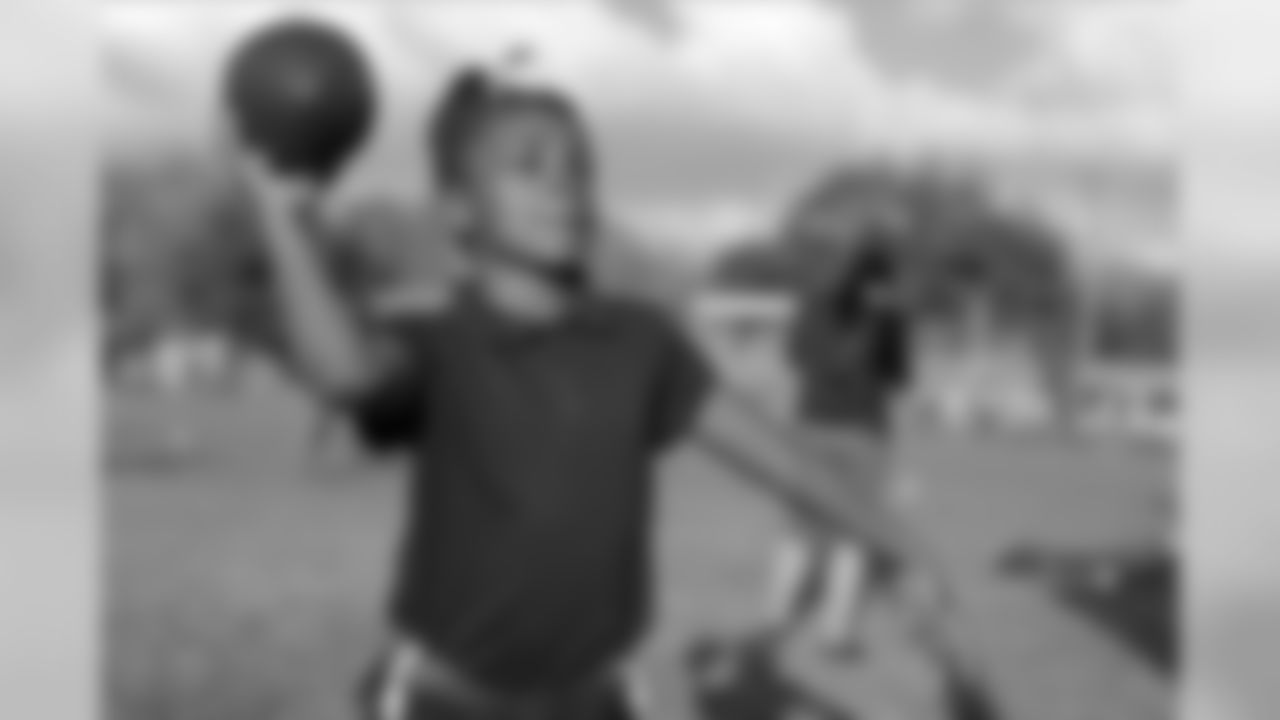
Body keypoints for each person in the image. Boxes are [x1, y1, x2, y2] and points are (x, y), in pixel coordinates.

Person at [237, 65, 950, 720]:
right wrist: (281, 219)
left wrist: (900, 545)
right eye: (529, 165)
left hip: (596, 699)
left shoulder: (640, 342)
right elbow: (346, 373)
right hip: (443, 699)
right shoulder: (441, 345)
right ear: (459, 211)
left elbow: (786, 461)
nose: (564, 184)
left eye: (579, 167)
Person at [765, 231, 917, 656]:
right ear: (887, 279)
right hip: (864, 434)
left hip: (811, 428)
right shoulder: (891, 316)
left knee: (798, 530)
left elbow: (792, 358)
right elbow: (899, 381)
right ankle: (835, 631)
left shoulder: (815, 304)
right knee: (853, 535)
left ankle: (773, 618)